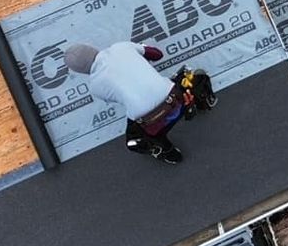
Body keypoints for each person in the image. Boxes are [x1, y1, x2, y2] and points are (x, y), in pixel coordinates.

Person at [65, 41, 217, 164]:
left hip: (152, 123)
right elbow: (157, 54)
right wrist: (139, 51)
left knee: (133, 141)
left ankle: (165, 151)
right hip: (178, 100)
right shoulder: (121, 46)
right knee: (193, 75)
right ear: (91, 48)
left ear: (80, 71)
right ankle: (203, 99)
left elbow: (121, 96)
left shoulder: (95, 87)